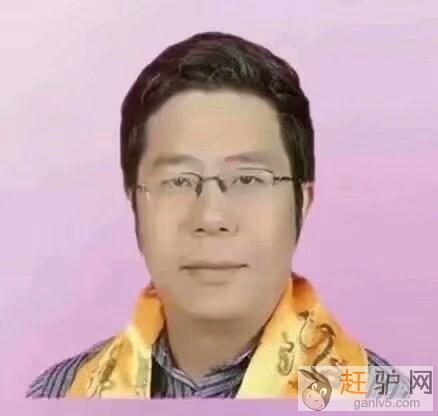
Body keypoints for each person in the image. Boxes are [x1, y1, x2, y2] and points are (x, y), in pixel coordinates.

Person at [26, 31, 408, 399]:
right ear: (134, 203)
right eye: (178, 181)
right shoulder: (57, 394)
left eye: (247, 179)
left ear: (302, 203)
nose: (211, 217)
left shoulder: (383, 396)